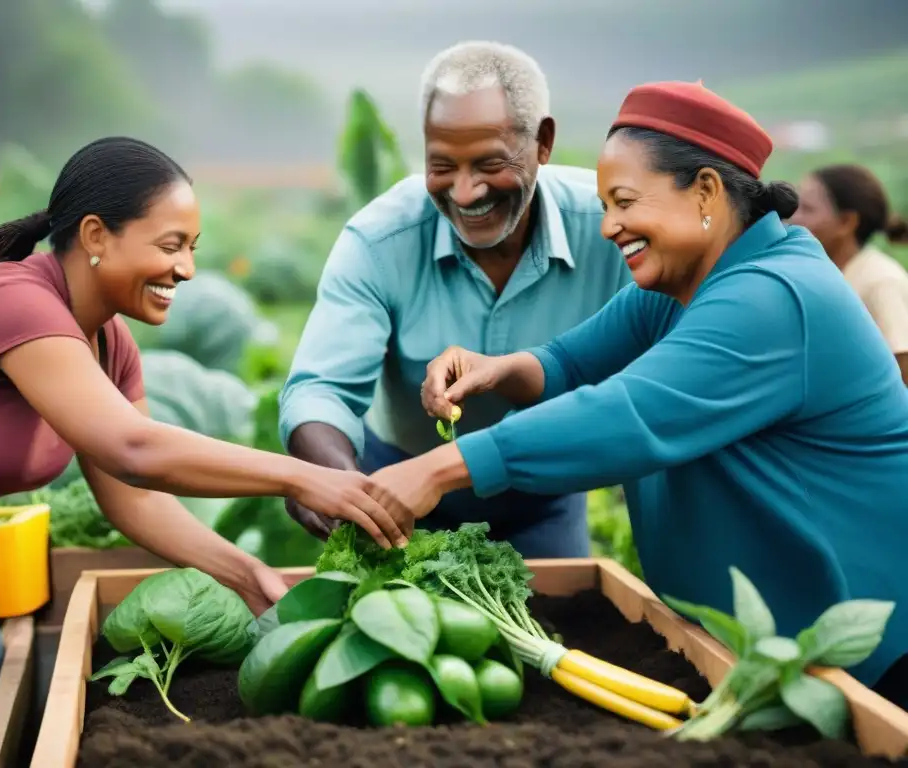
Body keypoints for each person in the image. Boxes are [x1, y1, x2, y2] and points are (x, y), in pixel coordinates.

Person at [367, 81, 908, 708]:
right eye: (603, 205)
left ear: (705, 190)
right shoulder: (681, 285)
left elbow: (628, 414)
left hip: (874, 656)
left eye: (623, 201)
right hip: (764, 655)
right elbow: (569, 362)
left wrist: (436, 469)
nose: (607, 227)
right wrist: (495, 368)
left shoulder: (773, 296)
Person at [0, 137, 411, 768]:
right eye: (170, 246)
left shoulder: (109, 343)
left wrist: (245, 574)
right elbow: (133, 448)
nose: (186, 269)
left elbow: (132, 495)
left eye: (191, 248)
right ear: (97, 236)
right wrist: (298, 478)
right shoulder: (13, 302)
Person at [278, 41, 632, 558]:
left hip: (544, 500)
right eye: (441, 165)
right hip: (395, 498)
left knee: (554, 626)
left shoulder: (612, 229)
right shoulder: (380, 239)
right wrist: (332, 480)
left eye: (489, 163)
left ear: (542, 142)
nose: (465, 194)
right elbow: (319, 389)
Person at [789, 164, 908, 384]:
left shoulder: (880, 281)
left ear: (846, 222)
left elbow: (903, 370)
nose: (793, 218)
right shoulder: (823, 273)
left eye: (807, 209)